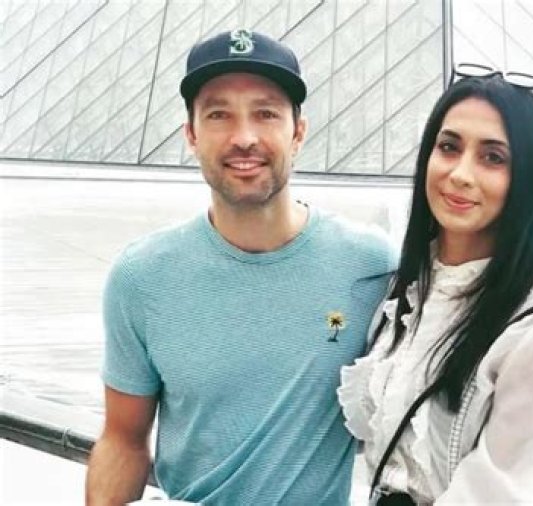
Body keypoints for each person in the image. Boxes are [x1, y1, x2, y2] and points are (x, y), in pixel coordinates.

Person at [85, 28, 396, 505]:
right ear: (191, 134)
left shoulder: (374, 265)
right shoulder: (141, 278)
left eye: (266, 113)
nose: (244, 137)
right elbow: (123, 440)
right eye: (219, 115)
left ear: (298, 131)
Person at [337, 65, 533, 504]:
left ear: (525, 179)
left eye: (493, 157)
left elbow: (502, 492)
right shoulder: (407, 293)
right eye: (449, 147)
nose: (460, 174)